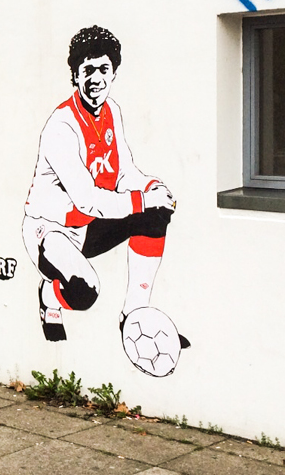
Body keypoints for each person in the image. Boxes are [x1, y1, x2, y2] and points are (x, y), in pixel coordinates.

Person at [22, 26, 183, 343]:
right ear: (75, 75)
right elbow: (86, 199)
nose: (96, 78)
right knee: (85, 293)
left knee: (155, 213)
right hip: (51, 229)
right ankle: (49, 296)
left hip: (89, 225)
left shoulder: (112, 111)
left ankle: (134, 315)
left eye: (103, 69)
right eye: (88, 70)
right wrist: (141, 199)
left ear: (114, 73)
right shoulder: (61, 126)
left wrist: (151, 187)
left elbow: (124, 174)